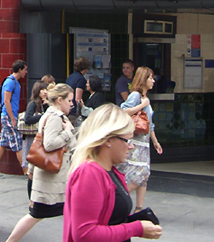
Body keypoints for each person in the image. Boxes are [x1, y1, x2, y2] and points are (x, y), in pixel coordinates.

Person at [63, 103, 162, 241]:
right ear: (108, 140)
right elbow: (84, 234)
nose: (131, 146)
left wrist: (136, 222)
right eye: (127, 140)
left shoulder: (109, 170)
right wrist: (136, 228)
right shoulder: (89, 173)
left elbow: (111, 219)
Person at [6, 83, 77, 242]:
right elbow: (49, 144)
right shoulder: (55, 118)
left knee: (70, 212)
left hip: (53, 180)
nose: (72, 104)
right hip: (52, 182)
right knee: (36, 215)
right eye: (69, 100)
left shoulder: (49, 115)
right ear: (60, 100)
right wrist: (67, 133)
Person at [118, 66, 163, 211]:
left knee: (144, 175)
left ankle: (139, 207)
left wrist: (155, 141)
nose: (153, 81)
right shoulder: (136, 96)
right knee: (139, 173)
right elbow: (124, 110)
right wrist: (142, 105)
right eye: (150, 78)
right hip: (135, 141)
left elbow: (150, 123)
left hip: (144, 142)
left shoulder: (145, 98)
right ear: (143, 80)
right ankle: (118, 196)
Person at [0, 60, 28, 176]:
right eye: (25, 70)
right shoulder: (10, 82)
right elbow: (6, 101)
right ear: (20, 69)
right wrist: (12, 118)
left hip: (8, 116)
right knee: (17, 144)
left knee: (2, 144)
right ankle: (26, 172)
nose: (26, 72)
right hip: (8, 116)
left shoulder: (15, 82)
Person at [20, 82, 49, 178]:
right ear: (37, 91)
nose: (45, 92)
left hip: (38, 136)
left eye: (46, 89)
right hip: (31, 137)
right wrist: (41, 116)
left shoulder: (43, 104)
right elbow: (28, 119)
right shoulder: (33, 104)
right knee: (30, 160)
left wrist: (46, 106)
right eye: (42, 90)